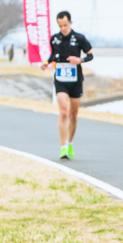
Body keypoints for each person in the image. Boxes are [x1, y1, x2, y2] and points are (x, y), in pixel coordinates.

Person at [44, 10, 94, 159]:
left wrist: (80, 60)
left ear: (70, 23)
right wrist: (46, 63)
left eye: (65, 25)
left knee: (73, 115)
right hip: (60, 80)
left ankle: (70, 143)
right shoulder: (54, 39)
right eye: (60, 26)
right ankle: (63, 147)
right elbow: (53, 56)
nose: (63, 28)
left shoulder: (79, 38)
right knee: (64, 112)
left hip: (76, 80)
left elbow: (90, 55)